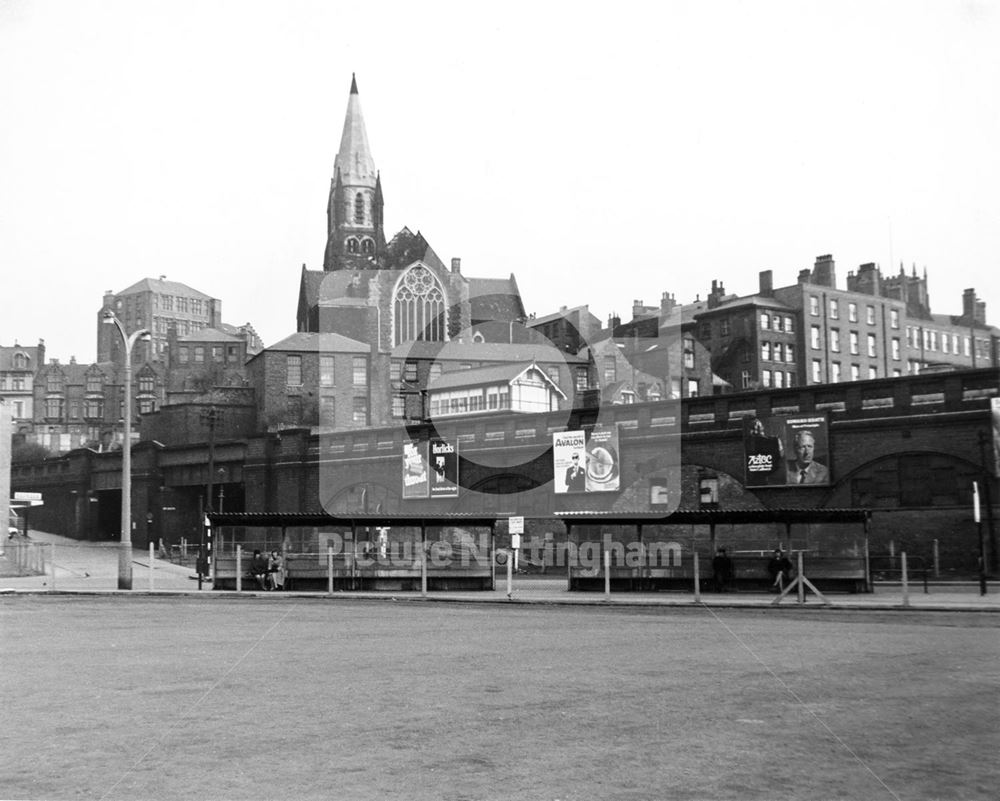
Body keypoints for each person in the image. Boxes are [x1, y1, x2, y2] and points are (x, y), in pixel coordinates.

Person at [744, 416, 786, 486]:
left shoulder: (774, 440)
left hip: (770, 477)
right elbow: (781, 455)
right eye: (753, 428)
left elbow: (781, 455)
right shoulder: (774, 440)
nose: (755, 430)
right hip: (767, 477)